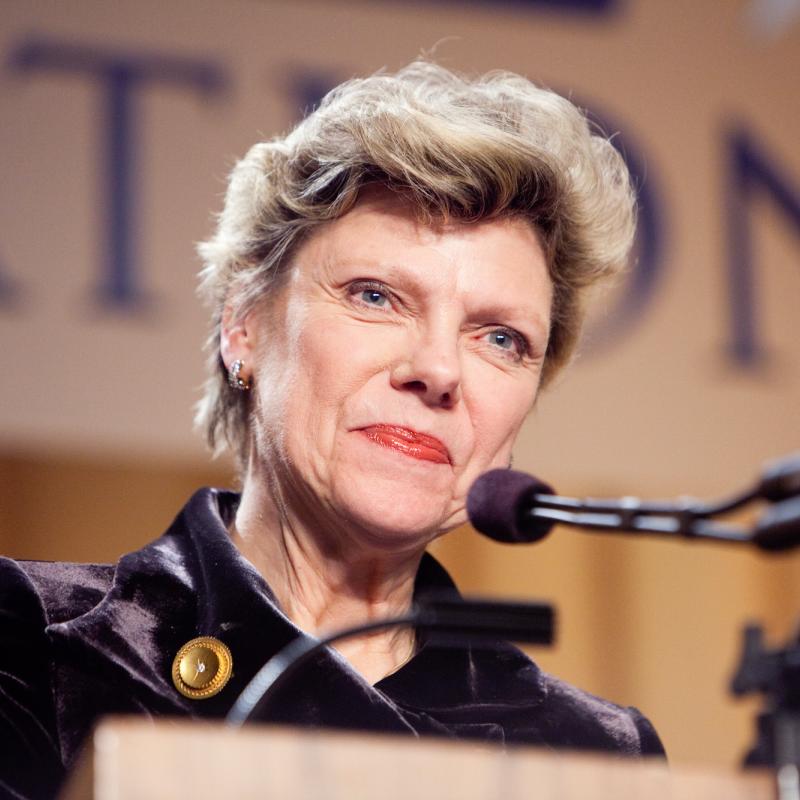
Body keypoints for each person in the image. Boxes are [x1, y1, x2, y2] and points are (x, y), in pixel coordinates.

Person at [0, 61, 664, 799]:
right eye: (376, 296)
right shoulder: (34, 642)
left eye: (500, 338)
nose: (438, 369)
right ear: (244, 327)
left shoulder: (596, 754)